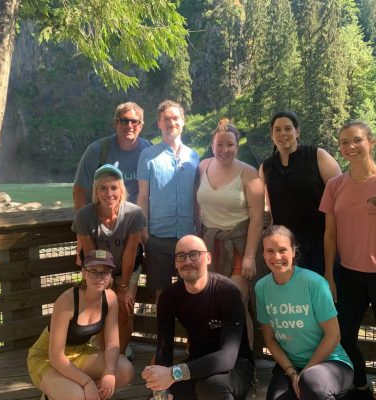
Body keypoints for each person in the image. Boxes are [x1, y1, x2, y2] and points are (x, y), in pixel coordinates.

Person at [142, 235, 254, 400]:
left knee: (212, 387)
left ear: (208, 258)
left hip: (235, 366)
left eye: (194, 254)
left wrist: (174, 373)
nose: (187, 261)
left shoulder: (227, 292)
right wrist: (160, 388)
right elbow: (163, 350)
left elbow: (227, 357)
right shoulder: (169, 297)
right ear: (175, 262)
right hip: (197, 363)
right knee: (162, 394)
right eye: (181, 256)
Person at [255, 225, 353, 400]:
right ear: (263, 254)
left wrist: (305, 373)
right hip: (291, 365)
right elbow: (269, 338)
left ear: (293, 251)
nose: (276, 257)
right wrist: (292, 373)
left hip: (331, 362)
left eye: (282, 250)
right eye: (270, 251)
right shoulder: (262, 287)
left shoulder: (313, 283)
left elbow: (333, 335)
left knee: (311, 385)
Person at [27, 249, 134, 400]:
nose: (100, 278)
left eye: (105, 272)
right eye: (93, 272)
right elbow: (56, 356)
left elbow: (112, 344)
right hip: (47, 358)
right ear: (84, 272)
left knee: (125, 370)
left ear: (111, 274)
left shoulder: (110, 298)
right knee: (77, 395)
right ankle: (53, 394)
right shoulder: (67, 301)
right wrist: (87, 382)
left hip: (80, 353)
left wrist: (109, 371)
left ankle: (69, 391)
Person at [320, 120, 376, 400]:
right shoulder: (335, 185)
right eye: (343, 142)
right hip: (347, 274)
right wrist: (329, 275)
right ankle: (362, 387)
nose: (349, 147)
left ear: (371, 142)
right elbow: (330, 235)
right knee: (344, 336)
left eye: (356, 140)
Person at [197, 118, 264, 349]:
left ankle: (244, 360)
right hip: (209, 244)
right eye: (220, 145)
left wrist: (249, 256)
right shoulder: (203, 166)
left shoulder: (249, 173)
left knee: (237, 301)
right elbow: (199, 206)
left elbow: (257, 218)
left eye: (230, 145)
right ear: (212, 145)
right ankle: (216, 353)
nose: (224, 150)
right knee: (211, 301)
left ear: (237, 146)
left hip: (239, 244)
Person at [72, 163, 145, 356]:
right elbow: (92, 254)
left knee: (125, 309)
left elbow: (130, 253)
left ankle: (120, 354)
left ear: (121, 189)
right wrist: (106, 284)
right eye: (102, 188)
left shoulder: (134, 214)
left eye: (114, 187)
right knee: (102, 310)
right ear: (95, 191)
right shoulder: (84, 216)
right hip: (98, 268)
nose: (109, 193)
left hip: (127, 267)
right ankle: (105, 355)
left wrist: (122, 289)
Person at [259, 111, 341, 274]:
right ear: (272, 135)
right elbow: (268, 207)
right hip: (286, 247)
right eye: (277, 129)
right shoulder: (266, 167)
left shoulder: (317, 156)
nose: (283, 134)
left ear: (297, 131)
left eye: (288, 128)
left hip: (322, 240)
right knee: (295, 297)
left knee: (326, 292)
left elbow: (340, 196)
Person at [137, 100, 200, 303]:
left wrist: (198, 226)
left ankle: (192, 336)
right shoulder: (147, 156)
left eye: (175, 118)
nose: (171, 122)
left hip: (188, 235)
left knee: (192, 290)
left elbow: (197, 194)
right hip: (158, 237)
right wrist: (144, 233)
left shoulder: (193, 156)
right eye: (166, 119)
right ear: (159, 123)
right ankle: (164, 335)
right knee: (161, 295)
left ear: (183, 122)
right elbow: (142, 196)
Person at [73, 101, 151, 209]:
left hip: (136, 221)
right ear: (115, 123)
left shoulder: (149, 151)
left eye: (134, 121)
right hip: (102, 220)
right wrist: (82, 222)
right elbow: (79, 190)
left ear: (141, 125)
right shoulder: (97, 151)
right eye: (124, 121)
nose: (129, 126)